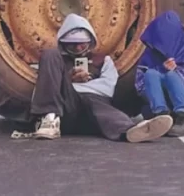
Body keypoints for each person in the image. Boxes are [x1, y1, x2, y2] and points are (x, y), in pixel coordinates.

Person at [31, 13, 173, 142]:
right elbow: (43, 87)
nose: (78, 48)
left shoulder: (103, 60)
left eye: (82, 44)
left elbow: (108, 88)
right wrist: (68, 80)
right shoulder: (56, 61)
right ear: (64, 44)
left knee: (98, 105)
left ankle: (130, 130)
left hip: (93, 110)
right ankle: (48, 119)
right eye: (73, 45)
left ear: (90, 42)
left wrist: (86, 81)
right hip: (65, 110)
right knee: (49, 53)